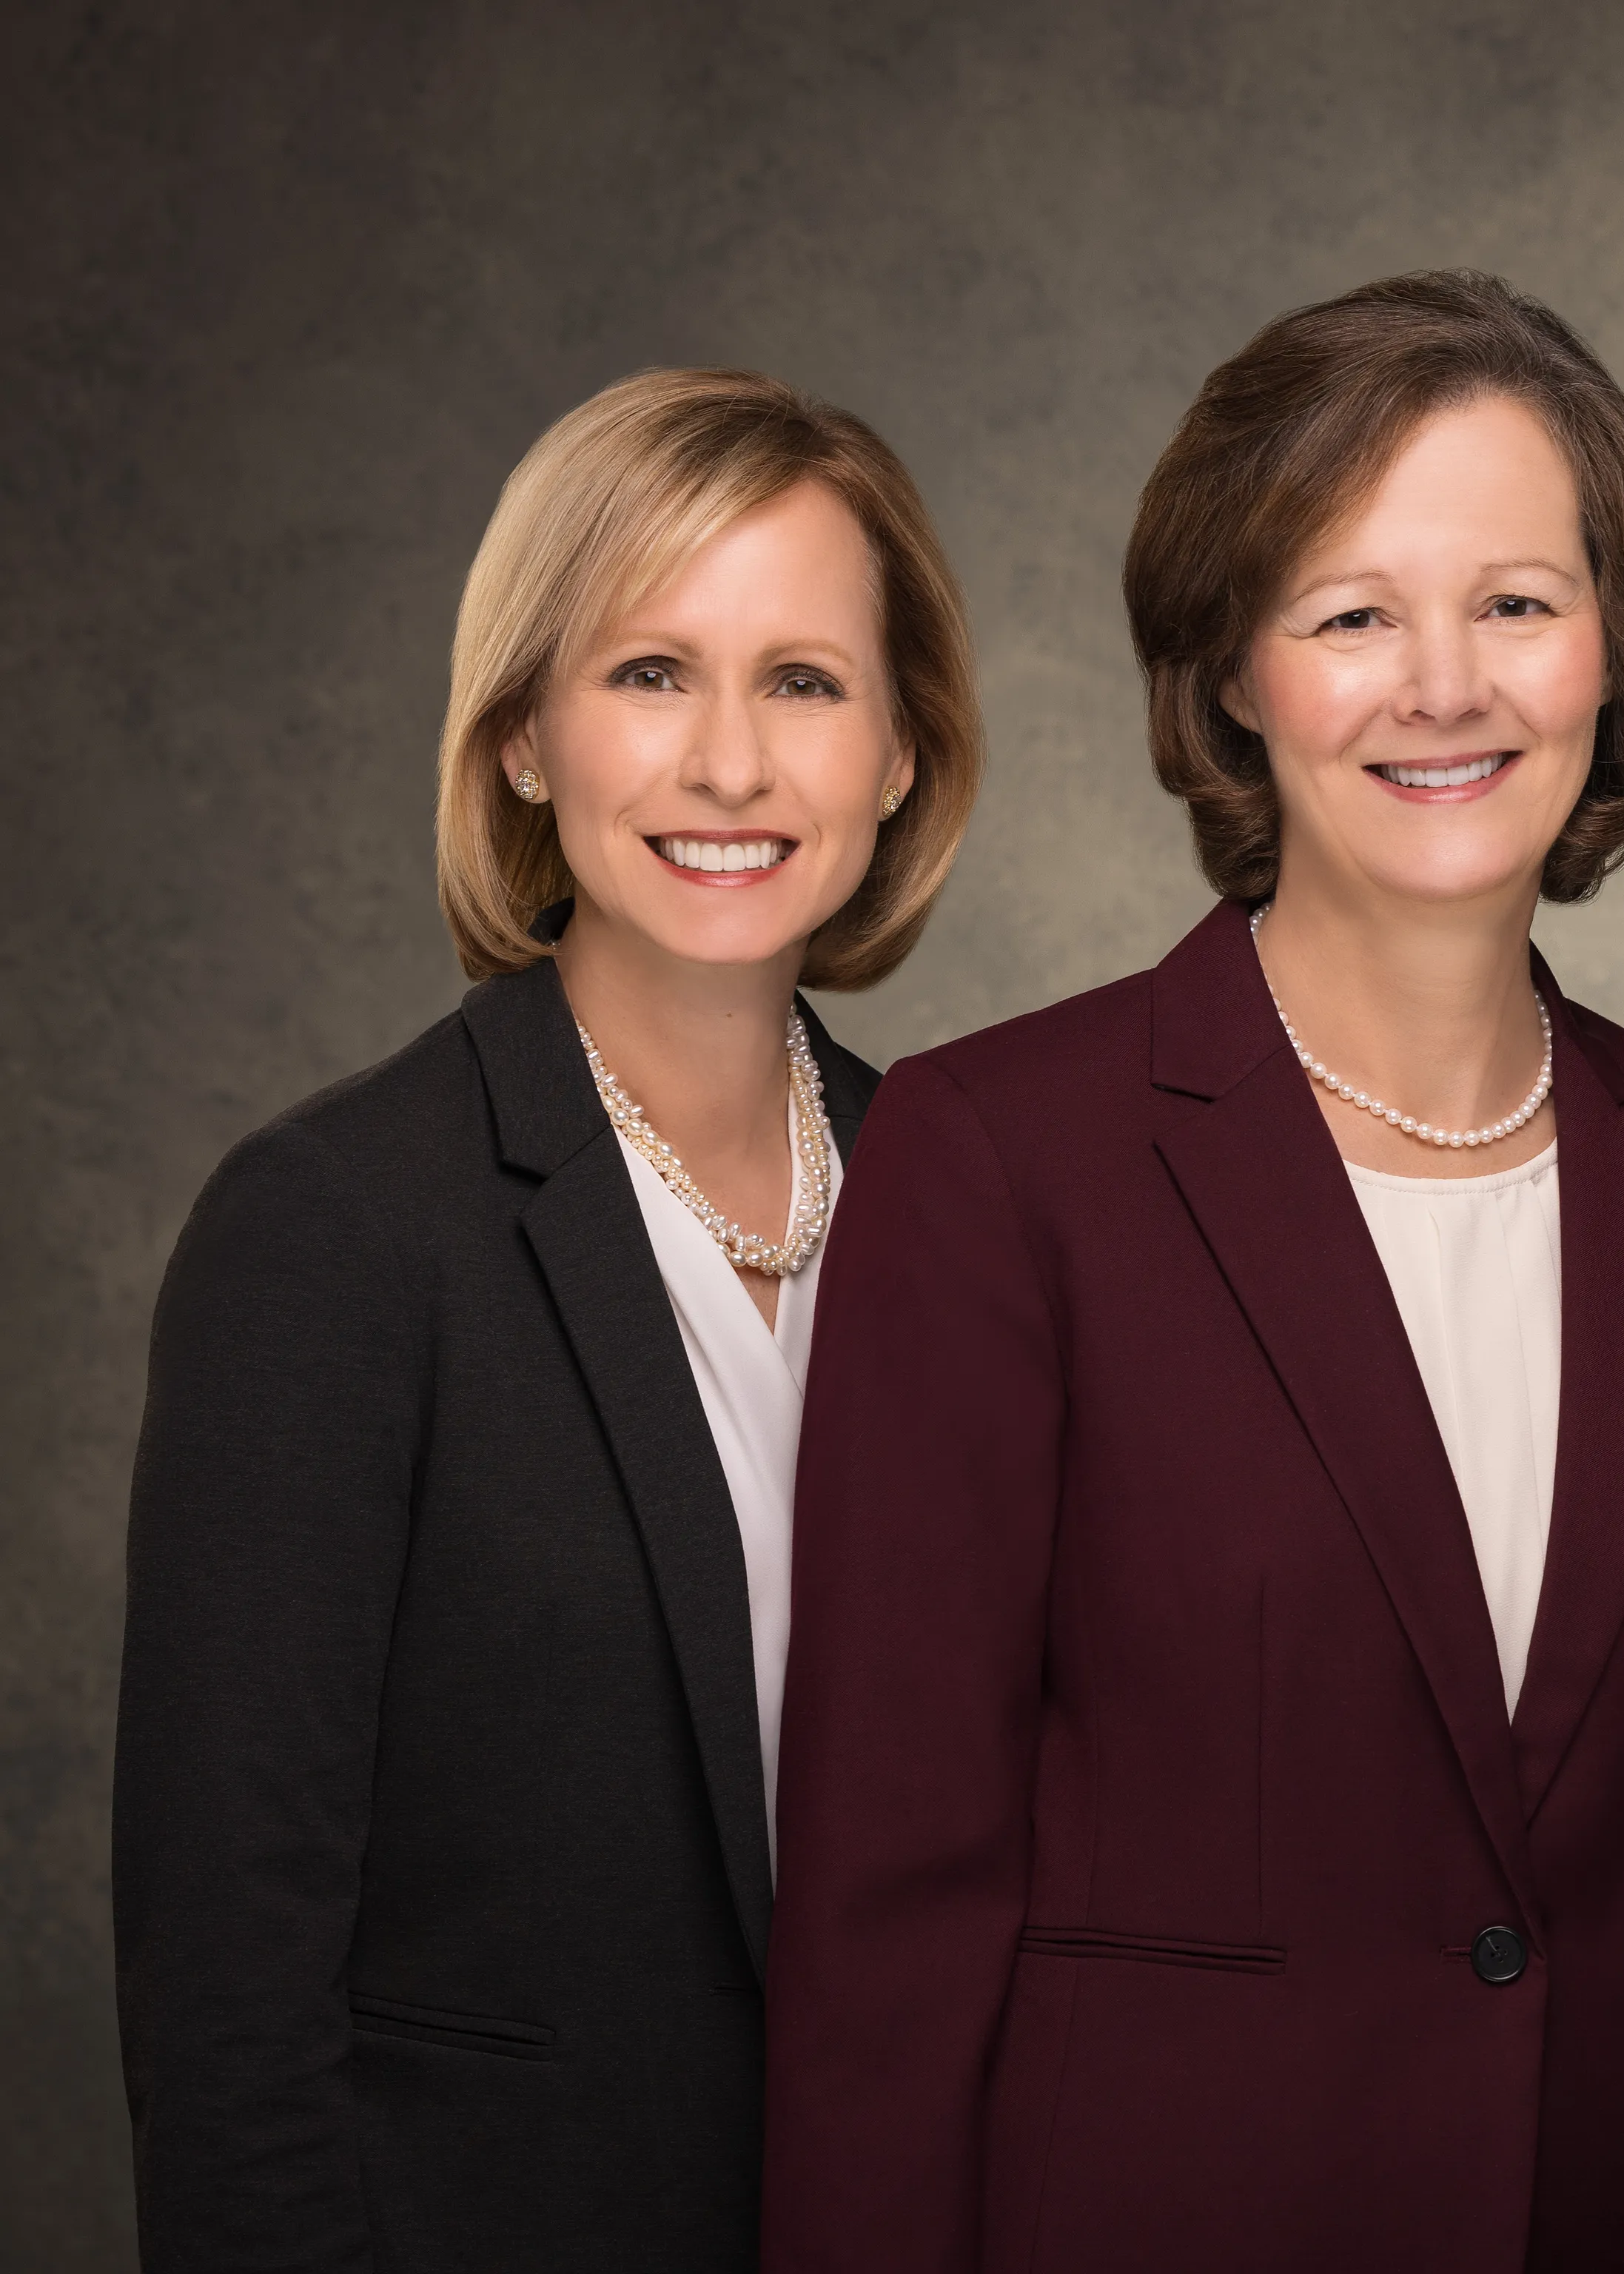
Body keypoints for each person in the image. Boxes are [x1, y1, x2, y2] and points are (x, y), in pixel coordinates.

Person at [759, 272, 1624, 2273]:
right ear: (1237, 672)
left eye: (1515, 601)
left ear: (1616, 650)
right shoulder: (999, 1161)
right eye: (1351, 614)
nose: (1444, 686)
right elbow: (888, 1912)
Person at [113, 367, 983, 2272]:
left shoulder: (987, 1211)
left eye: (807, 683)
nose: (731, 766)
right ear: (521, 735)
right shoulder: (335, 1231)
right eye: (651, 673)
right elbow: (229, 1997)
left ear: (904, 750)